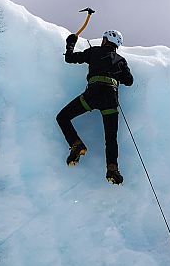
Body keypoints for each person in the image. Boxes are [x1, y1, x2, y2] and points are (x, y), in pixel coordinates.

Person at [56, 28, 134, 185]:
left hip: (92, 96)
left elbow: (70, 58)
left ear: (105, 40)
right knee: (111, 138)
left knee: (63, 117)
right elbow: (129, 80)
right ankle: (112, 169)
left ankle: (76, 144)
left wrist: (71, 43)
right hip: (110, 100)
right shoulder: (121, 60)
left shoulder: (94, 51)